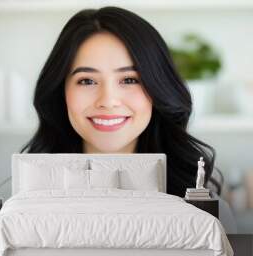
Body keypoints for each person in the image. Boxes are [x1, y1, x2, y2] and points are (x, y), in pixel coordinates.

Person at [16, 6, 236, 233]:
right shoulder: (25, 206)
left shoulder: (207, 212)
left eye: (129, 80)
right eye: (87, 81)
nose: (108, 101)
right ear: (61, 91)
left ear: (157, 87)